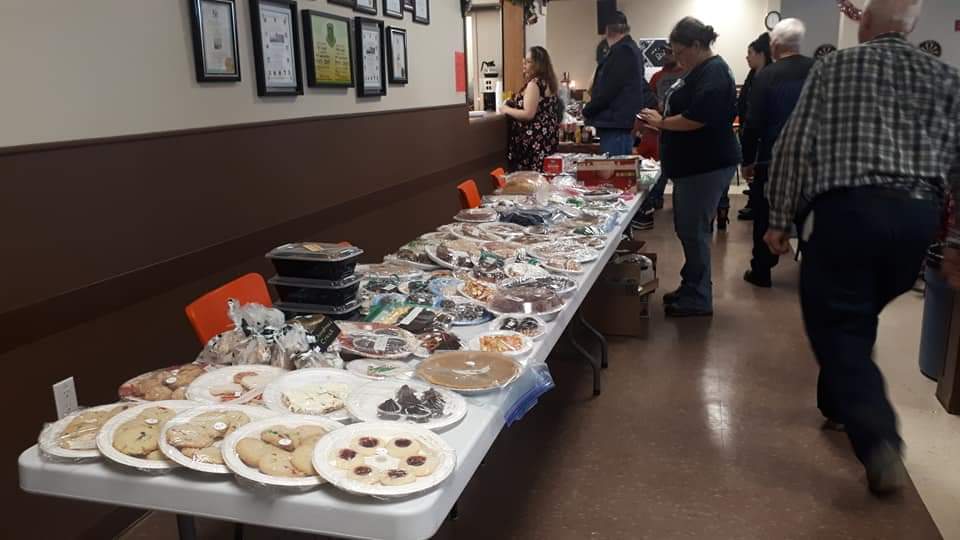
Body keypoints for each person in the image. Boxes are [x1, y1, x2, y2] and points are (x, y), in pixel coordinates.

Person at [764, 0, 960, 496]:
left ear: (864, 23)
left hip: (848, 213)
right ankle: (838, 403)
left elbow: (794, 145)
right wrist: (956, 241)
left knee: (837, 324)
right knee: (857, 312)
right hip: (916, 220)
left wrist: (779, 218)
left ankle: (879, 441)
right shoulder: (946, 77)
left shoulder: (835, 67)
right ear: (911, 28)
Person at [638, 17, 741, 317]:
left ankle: (698, 296)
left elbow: (697, 118)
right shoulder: (700, 70)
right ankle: (691, 285)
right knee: (688, 229)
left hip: (705, 165)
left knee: (694, 231)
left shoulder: (714, 72)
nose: (677, 58)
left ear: (697, 45)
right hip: (693, 166)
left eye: (680, 52)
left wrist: (662, 123)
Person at [739, 19, 814, 288]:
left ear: (775, 45)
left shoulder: (767, 76)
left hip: (772, 157)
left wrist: (748, 160)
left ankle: (762, 270)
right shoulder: (820, 68)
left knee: (766, 215)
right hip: (812, 158)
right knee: (810, 216)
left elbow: (753, 123)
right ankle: (811, 273)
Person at [583, 11, 657, 156]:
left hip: (616, 124)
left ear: (607, 30)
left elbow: (608, 90)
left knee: (614, 167)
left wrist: (587, 110)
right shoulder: (630, 49)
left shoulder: (622, 51)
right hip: (620, 123)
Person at [631, 48, 686, 231]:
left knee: (677, 167)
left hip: (680, 125)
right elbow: (649, 101)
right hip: (657, 127)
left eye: (669, 53)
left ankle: (679, 203)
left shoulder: (685, 75)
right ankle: (654, 198)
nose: (666, 56)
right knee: (657, 164)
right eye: (663, 53)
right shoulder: (657, 77)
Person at [502, 46, 561, 172]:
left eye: (528, 62)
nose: (524, 65)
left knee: (532, 177)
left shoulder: (534, 84)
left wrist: (506, 109)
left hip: (535, 141)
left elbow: (528, 113)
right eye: (525, 61)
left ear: (537, 65)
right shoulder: (549, 82)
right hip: (547, 137)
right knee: (545, 174)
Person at [735, 33, 774, 222]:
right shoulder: (752, 76)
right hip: (748, 129)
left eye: (750, 53)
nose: (747, 57)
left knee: (760, 169)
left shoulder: (770, 76)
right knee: (751, 167)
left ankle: (758, 204)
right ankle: (753, 201)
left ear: (761, 54)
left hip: (763, 133)